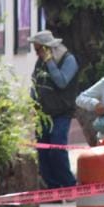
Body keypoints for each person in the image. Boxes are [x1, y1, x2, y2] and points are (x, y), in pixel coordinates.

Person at [29, 30, 79, 189]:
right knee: (43, 151)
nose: (37, 54)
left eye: (39, 50)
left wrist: (50, 62)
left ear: (47, 48)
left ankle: (68, 184)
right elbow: (35, 82)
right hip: (43, 113)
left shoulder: (68, 59)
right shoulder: (41, 62)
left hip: (61, 112)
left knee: (57, 149)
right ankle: (52, 186)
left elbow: (62, 82)